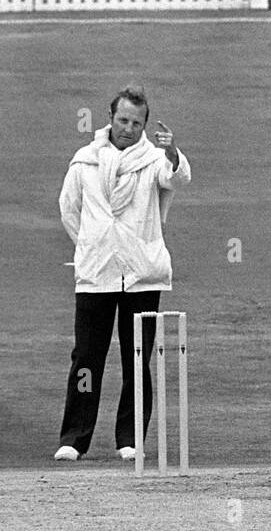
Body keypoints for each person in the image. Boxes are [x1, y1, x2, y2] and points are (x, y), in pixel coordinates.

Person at [54, 85, 192, 462]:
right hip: (96, 274)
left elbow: (178, 180)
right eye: (122, 120)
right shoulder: (85, 160)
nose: (128, 128)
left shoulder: (153, 159)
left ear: (144, 125)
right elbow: (69, 209)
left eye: (136, 122)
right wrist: (91, 245)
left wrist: (173, 152)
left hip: (142, 274)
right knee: (86, 358)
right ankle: (74, 438)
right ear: (110, 118)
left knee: (137, 358)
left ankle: (130, 439)